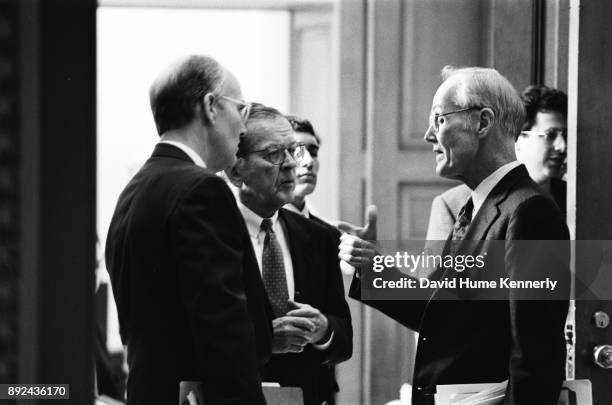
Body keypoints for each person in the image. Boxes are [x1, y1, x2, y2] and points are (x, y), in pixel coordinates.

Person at [339, 66, 570, 405]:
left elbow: (536, 354)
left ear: (483, 122)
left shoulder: (530, 211)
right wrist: (372, 267)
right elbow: (441, 313)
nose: (428, 136)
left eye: (440, 120)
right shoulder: (473, 205)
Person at [105, 55, 271, 405]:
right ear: (211, 106)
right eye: (241, 110)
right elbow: (223, 331)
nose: (244, 129)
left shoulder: (135, 190)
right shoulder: (201, 190)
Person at [226, 104, 352, 405]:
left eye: (290, 152)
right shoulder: (214, 234)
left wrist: (323, 330)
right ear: (236, 169)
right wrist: (264, 341)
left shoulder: (319, 236)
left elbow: (344, 340)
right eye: (273, 154)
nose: (290, 165)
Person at [425, 85, 568, 241]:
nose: (562, 146)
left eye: (565, 135)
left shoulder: (573, 197)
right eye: (551, 135)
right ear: (517, 136)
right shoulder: (452, 205)